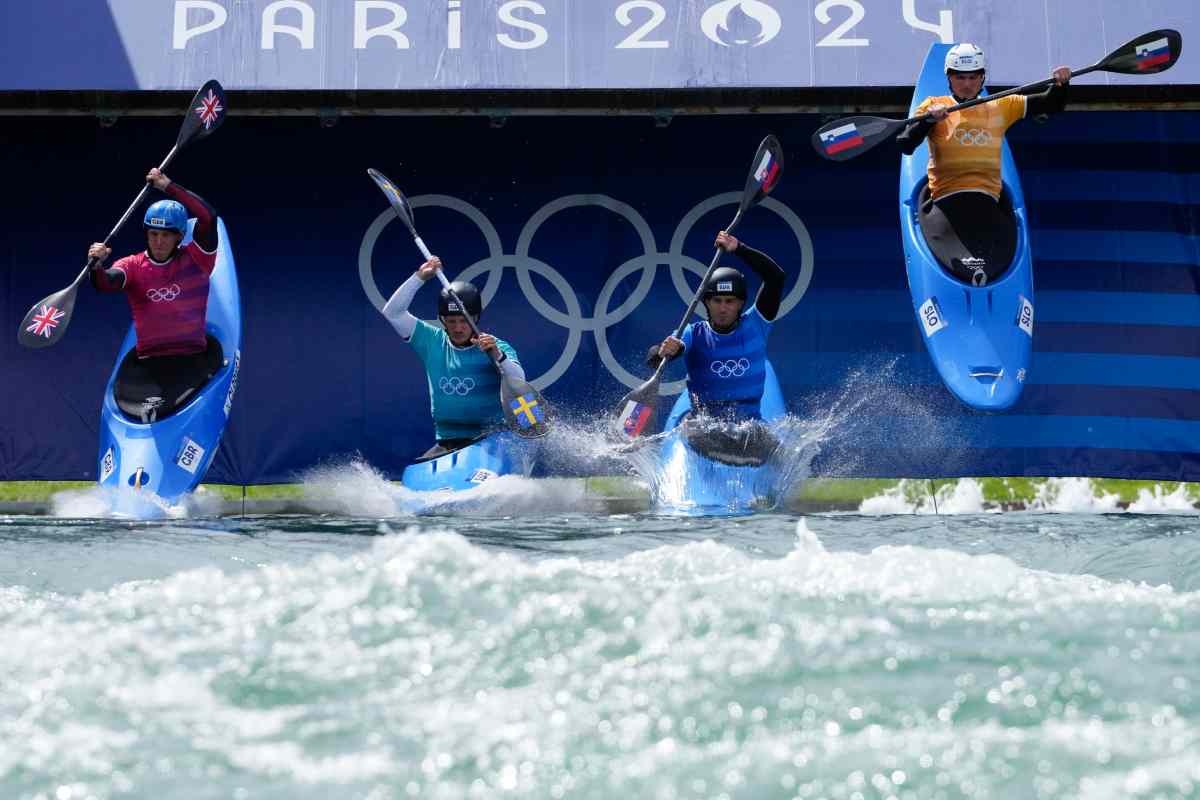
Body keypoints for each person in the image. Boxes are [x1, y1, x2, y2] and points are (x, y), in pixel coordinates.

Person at [897, 43, 1071, 286]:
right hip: (946, 201)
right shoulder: (933, 105)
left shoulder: (1001, 105)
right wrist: (927, 121)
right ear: (949, 77)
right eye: (960, 77)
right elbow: (906, 143)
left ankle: (980, 275)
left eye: (973, 77)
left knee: (994, 257)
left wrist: (1061, 84)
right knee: (959, 257)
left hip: (987, 200)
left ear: (982, 78)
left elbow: (1050, 104)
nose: (967, 84)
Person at [88, 168, 223, 422]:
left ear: (180, 236)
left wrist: (167, 185)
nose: (158, 241)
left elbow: (208, 218)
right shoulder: (133, 265)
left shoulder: (198, 259)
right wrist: (96, 267)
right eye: (153, 234)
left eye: (166, 235)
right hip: (149, 363)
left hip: (193, 358)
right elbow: (106, 283)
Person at [645, 231, 786, 464]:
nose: (723, 308)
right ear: (707, 303)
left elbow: (776, 277)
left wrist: (739, 248)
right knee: (694, 430)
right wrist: (664, 351)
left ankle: (744, 460)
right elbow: (656, 357)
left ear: (741, 303)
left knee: (783, 455)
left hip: (748, 427)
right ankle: (735, 460)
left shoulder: (757, 323)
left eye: (729, 301)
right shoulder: (693, 333)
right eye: (716, 301)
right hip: (704, 429)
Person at [382, 257, 527, 459]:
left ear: (475, 318)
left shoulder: (496, 346)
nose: (458, 328)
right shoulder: (430, 341)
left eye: (463, 320)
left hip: (493, 441)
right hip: (448, 443)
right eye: (451, 321)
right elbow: (393, 313)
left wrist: (496, 355)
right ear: (442, 319)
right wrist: (420, 277)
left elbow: (520, 381)